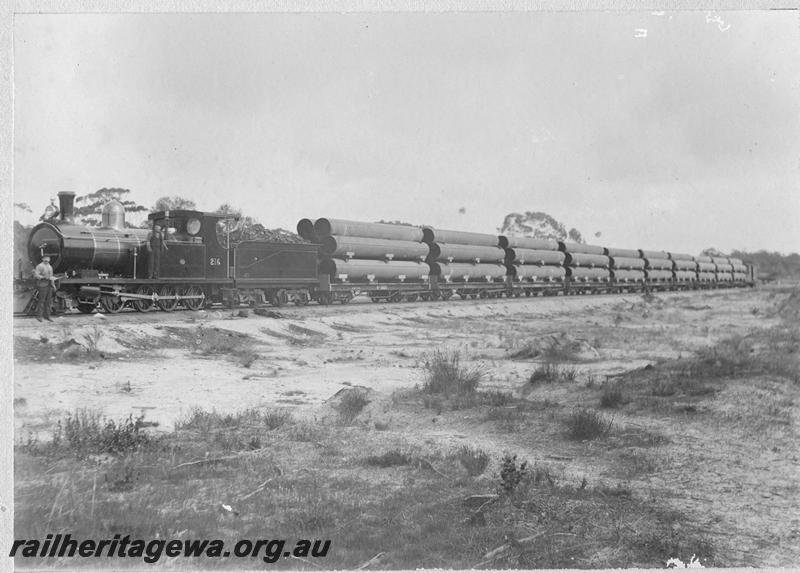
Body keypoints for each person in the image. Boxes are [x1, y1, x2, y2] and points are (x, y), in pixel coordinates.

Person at [33, 255, 55, 322]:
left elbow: (51, 276)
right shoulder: (39, 266)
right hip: (42, 285)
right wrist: (43, 277)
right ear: (42, 259)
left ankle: (47, 316)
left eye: (48, 258)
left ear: (49, 259)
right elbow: (36, 275)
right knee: (41, 301)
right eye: (45, 258)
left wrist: (53, 285)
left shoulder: (50, 267)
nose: (46, 259)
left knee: (48, 302)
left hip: (49, 285)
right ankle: (39, 316)